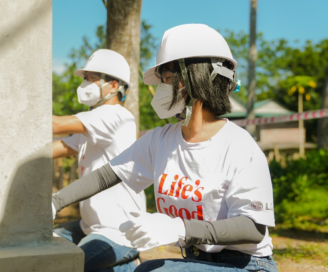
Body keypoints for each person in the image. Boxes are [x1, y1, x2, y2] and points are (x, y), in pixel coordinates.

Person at [52, 24, 277, 272]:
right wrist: (55, 201)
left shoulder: (239, 145)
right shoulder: (161, 140)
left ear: (197, 77)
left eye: (169, 80)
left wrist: (181, 228)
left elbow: (253, 229)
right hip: (198, 259)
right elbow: (108, 175)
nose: (162, 89)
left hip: (248, 265)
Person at [52, 49, 146, 272]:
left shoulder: (115, 116)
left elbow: (55, 125)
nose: (84, 84)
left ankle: (127, 262)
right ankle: (122, 263)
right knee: (40, 244)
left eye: (91, 79)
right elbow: (59, 147)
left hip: (118, 231)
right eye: (85, 78)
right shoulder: (93, 126)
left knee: (66, 266)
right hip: (90, 227)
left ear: (113, 85)